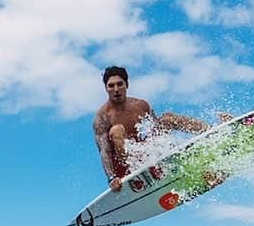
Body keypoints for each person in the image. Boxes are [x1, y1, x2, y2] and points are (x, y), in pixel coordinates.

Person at [93, 65, 229, 191]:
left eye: (119, 84)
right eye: (111, 86)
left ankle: (215, 132)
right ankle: (139, 173)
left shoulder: (140, 105)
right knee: (117, 130)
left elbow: (157, 132)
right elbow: (104, 151)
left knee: (166, 118)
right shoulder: (102, 117)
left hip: (145, 156)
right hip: (126, 169)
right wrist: (111, 177)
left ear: (127, 85)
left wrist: (165, 149)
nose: (116, 89)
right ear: (106, 88)